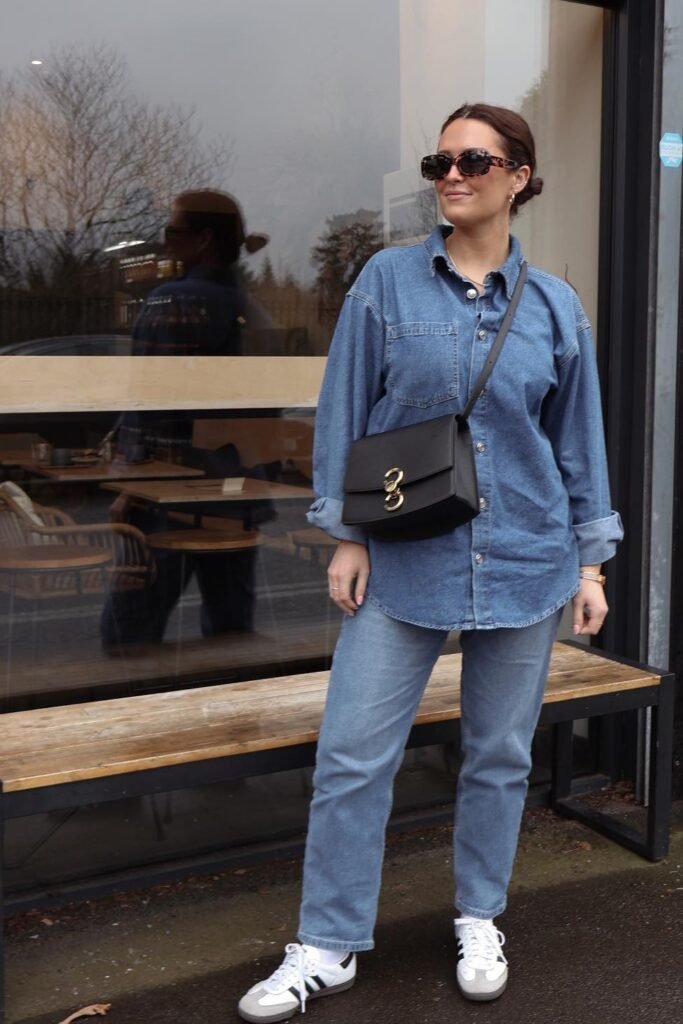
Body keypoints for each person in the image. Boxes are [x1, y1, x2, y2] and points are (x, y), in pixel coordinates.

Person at [237, 103, 623, 1020]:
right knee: (352, 755)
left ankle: (479, 914)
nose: (451, 174)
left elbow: (579, 444)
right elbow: (342, 412)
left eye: (474, 159)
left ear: (517, 176)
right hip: (404, 560)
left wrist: (590, 563)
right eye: (439, 159)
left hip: (528, 558)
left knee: (496, 754)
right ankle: (327, 943)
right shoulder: (386, 283)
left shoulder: (555, 306)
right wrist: (345, 534)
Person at [102, 190, 269, 647]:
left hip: (175, 493)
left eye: (172, 231)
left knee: (127, 633)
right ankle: (237, 714)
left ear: (202, 240)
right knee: (231, 630)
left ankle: (130, 718)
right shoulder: (248, 307)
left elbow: (152, 402)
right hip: (237, 489)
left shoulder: (171, 301)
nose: (165, 241)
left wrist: (129, 485)